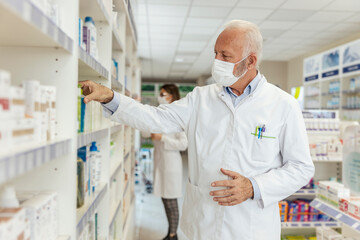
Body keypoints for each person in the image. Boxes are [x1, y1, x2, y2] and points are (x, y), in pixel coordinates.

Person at [79, 20, 315, 240]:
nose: (217, 61)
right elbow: (155, 118)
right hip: (201, 225)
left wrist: (254, 187)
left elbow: (301, 168)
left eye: (225, 55)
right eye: (215, 53)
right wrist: (110, 97)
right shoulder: (201, 98)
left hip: (251, 228)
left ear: (250, 61)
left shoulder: (282, 105)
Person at [151, 84, 187, 240]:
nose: (160, 96)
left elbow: (183, 144)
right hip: (160, 162)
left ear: (171, 96)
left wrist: (163, 138)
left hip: (172, 164)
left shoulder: (179, 116)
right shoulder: (161, 114)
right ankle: (170, 232)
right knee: (165, 199)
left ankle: (173, 235)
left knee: (171, 201)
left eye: (162, 94)